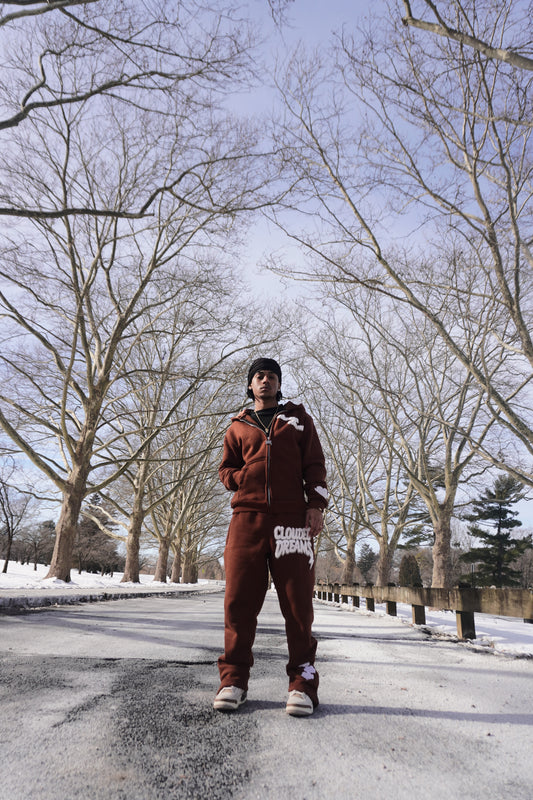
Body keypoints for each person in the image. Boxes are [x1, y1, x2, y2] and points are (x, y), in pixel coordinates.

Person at [214, 357, 328, 716]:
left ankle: (302, 684)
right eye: (259, 376)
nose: (265, 381)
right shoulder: (238, 426)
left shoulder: (298, 420)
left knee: (298, 606)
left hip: (291, 521)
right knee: (239, 603)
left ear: (279, 384)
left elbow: (315, 465)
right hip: (246, 519)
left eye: (272, 376)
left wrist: (316, 506)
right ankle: (233, 680)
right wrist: (238, 479)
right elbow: (225, 468)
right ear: (250, 385)